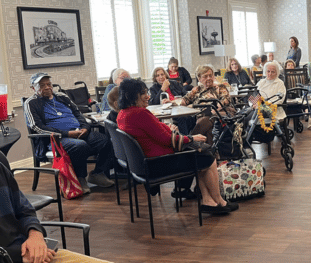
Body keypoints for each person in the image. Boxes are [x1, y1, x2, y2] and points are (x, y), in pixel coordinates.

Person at [116, 79, 238, 214]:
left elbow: (155, 131)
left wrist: (168, 128)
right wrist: (191, 138)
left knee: (201, 154)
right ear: (132, 96)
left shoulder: (122, 114)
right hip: (158, 164)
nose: (148, 96)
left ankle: (209, 201)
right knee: (208, 155)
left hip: (142, 164)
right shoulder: (140, 114)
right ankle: (219, 200)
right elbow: (167, 139)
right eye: (143, 93)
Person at [0, 161, 120, 263]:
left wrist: (35, 234)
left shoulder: (1, 170)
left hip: (28, 251)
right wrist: (18, 255)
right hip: (10, 262)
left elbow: (25, 210)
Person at [23, 73, 115, 194]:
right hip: (56, 139)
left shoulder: (62, 96)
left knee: (105, 140)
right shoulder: (31, 103)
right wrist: (66, 134)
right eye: (41, 85)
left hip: (79, 132)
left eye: (48, 84)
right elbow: (37, 127)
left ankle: (98, 173)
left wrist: (85, 128)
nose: (46, 87)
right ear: (33, 88)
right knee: (79, 145)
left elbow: (78, 114)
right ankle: (80, 179)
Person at [182, 65, 236, 145]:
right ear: (199, 78)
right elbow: (183, 101)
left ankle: (188, 142)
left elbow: (226, 100)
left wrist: (216, 101)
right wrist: (170, 101)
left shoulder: (220, 87)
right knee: (209, 130)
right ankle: (212, 154)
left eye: (210, 75)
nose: (209, 78)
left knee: (205, 120)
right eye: (205, 76)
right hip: (205, 118)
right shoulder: (197, 90)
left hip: (222, 115)